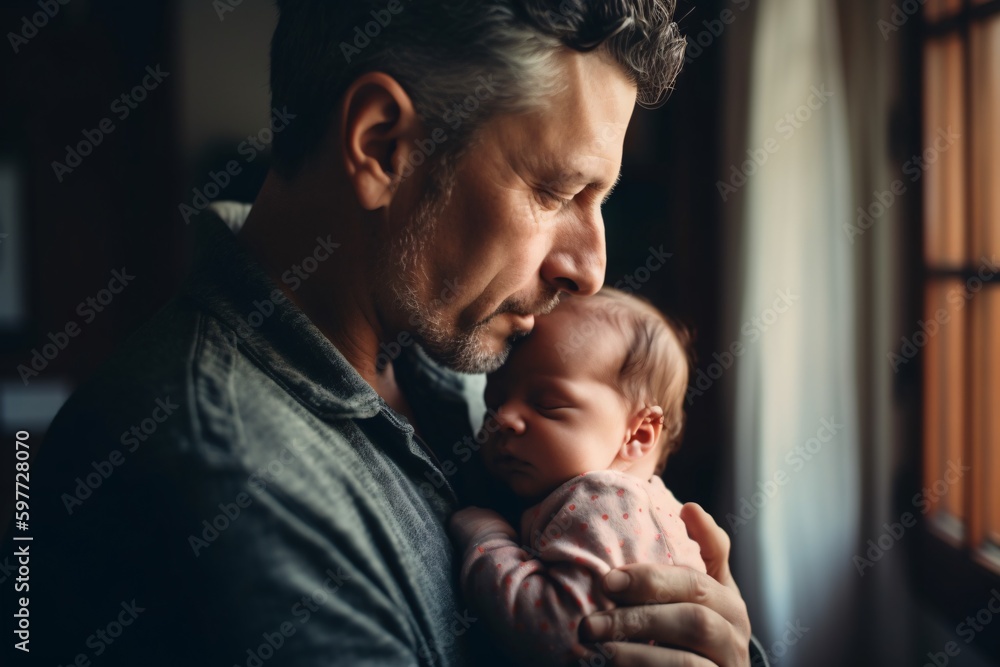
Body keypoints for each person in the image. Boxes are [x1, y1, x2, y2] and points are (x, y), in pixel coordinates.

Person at [20, 1, 764, 666]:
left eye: (600, 199)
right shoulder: (232, 477)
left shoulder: (456, 354)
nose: (592, 268)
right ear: (381, 146)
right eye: (555, 190)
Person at [451, 288, 708, 666]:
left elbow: (563, 634)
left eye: (547, 404)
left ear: (638, 434)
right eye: (493, 403)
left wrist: (487, 539)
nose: (502, 419)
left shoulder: (607, 501)